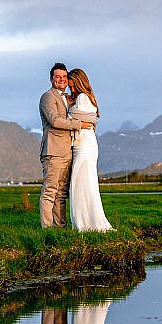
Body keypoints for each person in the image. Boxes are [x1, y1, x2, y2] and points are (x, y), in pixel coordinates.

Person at [39, 62, 94, 228]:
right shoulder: (48, 97)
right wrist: (79, 124)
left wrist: (91, 120)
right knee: (50, 191)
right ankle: (47, 229)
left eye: (64, 77)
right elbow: (54, 121)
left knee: (61, 194)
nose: (61, 80)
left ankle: (61, 227)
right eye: (58, 77)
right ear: (51, 79)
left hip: (67, 151)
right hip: (53, 152)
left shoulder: (67, 99)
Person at [66, 68, 112, 231]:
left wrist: (68, 106)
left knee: (82, 185)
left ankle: (86, 224)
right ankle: (87, 222)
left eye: (73, 86)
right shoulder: (83, 98)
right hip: (84, 144)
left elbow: (70, 118)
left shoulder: (84, 98)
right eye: (69, 87)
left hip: (84, 146)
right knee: (83, 184)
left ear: (79, 82)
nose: (71, 90)